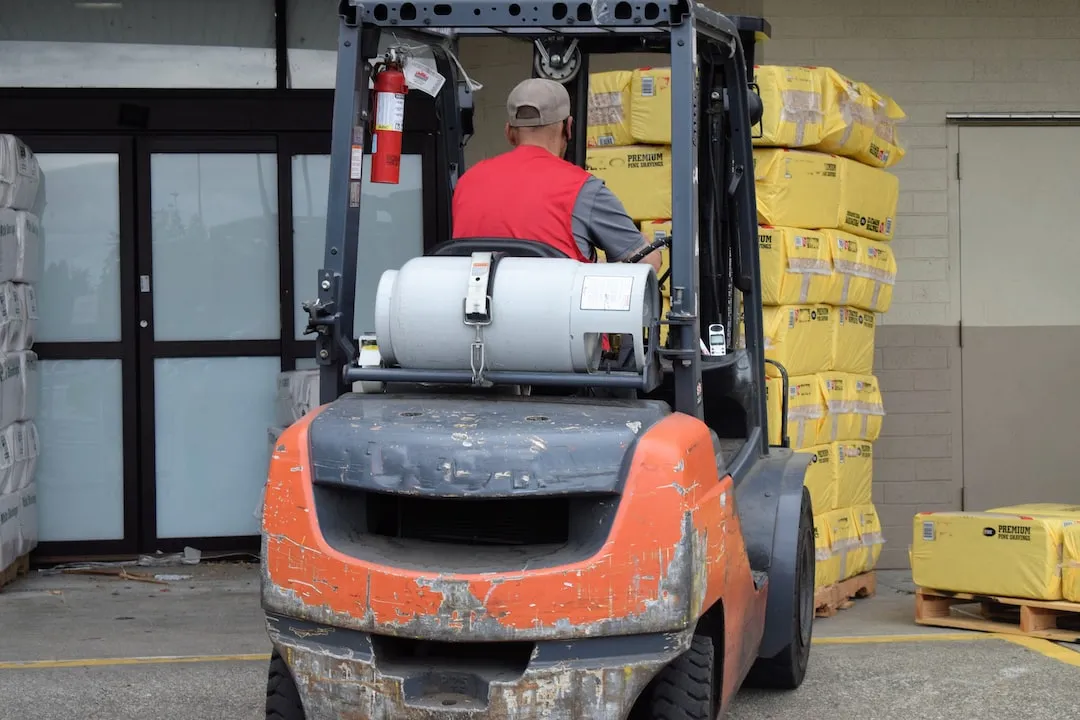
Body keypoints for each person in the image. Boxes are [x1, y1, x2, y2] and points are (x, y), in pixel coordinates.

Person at [451, 77, 664, 272]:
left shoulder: (467, 182)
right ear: (569, 128)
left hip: (475, 311)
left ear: (508, 132)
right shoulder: (582, 189)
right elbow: (644, 263)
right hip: (551, 313)